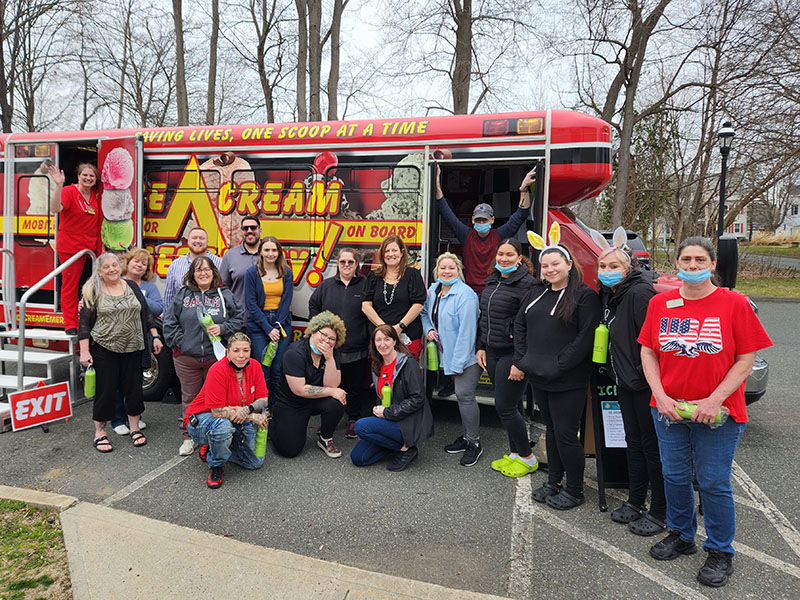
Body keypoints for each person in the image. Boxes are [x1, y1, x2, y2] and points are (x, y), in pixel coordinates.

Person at [639, 236, 772, 588]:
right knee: (675, 476)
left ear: (712, 264)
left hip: (719, 413)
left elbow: (746, 359)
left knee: (713, 482)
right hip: (668, 409)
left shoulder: (734, 304)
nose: (693, 266)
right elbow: (648, 352)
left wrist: (715, 399)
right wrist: (660, 395)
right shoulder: (661, 304)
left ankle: (720, 551)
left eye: (700, 260)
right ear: (677, 264)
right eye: (686, 260)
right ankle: (682, 535)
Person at [513, 238, 600, 510]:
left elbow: (585, 338)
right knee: (550, 430)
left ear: (569, 265)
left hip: (567, 379)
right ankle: (553, 480)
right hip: (539, 375)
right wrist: (523, 358)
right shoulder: (537, 292)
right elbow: (520, 324)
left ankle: (575, 490)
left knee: (565, 434)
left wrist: (559, 365)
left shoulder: (585, 296)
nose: (550, 269)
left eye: (555, 264)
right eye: (545, 265)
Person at [595, 235, 665, 536]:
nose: (607, 269)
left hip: (645, 384)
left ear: (628, 267)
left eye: (613, 265)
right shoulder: (611, 294)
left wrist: (643, 375)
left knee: (652, 448)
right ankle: (636, 501)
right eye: (602, 265)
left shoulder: (639, 294)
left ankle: (660, 511)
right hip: (624, 382)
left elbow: (655, 343)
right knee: (633, 444)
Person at [78, 253, 163, 453]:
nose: (112, 269)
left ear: (120, 266)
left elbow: (146, 313)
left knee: (133, 389)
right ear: (99, 271)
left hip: (134, 347)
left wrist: (155, 335)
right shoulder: (92, 291)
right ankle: (100, 432)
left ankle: (134, 429)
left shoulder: (131, 286)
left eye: (115, 265)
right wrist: (84, 351)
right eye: (106, 267)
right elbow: (83, 324)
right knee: (105, 391)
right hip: (104, 349)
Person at [163, 255, 244, 456]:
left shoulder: (223, 294)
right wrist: (181, 342)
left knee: (215, 400)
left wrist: (223, 327)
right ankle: (188, 437)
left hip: (215, 359)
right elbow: (169, 322)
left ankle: (210, 437)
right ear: (192, 274)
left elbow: (240, 317)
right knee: (189, 398)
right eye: (198, 270)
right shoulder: (183, 294)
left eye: (207, 269)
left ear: (213, 272)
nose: (203, 273)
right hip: (186, 358)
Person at [476, 238, 540, 478]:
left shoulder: (529, 285)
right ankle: (515, 454)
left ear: (519, 258)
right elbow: (486, 317)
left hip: (512, 355)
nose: (504, 258)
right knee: (512, 406)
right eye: (500, 254)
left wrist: (520, 362)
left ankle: (527, 457)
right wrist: (481, 346)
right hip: (491, 352)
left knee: (504, 406)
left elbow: (530, 327)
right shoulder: (492, 280)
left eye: (509, 255)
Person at [420, 253, 482, 466]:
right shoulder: (433, 290)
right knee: (461, 398)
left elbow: (468, 333)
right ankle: (466, 437)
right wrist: (428, 329)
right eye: (442, 268)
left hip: (465, 358)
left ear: (459, 271)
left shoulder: (466, 295)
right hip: (444, 355)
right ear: (437, 270)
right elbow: (423, 313)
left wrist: (457, 364)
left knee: (465, 397)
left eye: (451, 268)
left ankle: (474, 443)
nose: (446, 271)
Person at [185, 332, 269, 489]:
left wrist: (247, 409)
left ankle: (215, 447)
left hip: (238, 417)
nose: (241, 355)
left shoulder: (255, 366)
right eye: (236, 351)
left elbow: (263, 399)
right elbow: (217, 411)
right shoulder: (217, 370)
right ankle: (216, 464)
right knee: (223, 427)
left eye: (246, 350)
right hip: (203, 419)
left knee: (255, 463)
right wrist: (251, 416)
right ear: (227, 352)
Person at [435, 167, 535, 294]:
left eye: (485, 220)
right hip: (469, 290)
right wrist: (437, 184)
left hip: (492, 289)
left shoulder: (499, 235)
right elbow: (446, 213)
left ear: (492, 220)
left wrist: (523, 188)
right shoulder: (466, 235)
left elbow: (521, 214)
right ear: (472, 220)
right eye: (478, 220)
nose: (481, 223)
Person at [350, 325, 434, 471]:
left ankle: (406, 448)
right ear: (374, 343)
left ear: (395, 341)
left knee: (360, 426)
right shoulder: (377, 365)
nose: (382, 344)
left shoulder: (408, 363)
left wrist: (387, 413)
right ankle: (396, 446)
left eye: (387, 339)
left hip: (407, 421)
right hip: (388, 419)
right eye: (378, 340)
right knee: (359, 458)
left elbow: (418, 398)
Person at [308, 248, 371, 439]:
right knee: (331, 386)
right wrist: (318, 330)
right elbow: (313, 305)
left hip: (357, 346)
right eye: (342, 262)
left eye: (350, 262)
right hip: (330, 349)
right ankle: (329, 421)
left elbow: (372, 311)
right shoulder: (326, 285)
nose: (346, 265)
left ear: (356, 265)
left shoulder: (366, 285)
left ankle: (353, 419)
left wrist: (369, 337)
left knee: (354, 386)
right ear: (338, 264)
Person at [269, 311, 347, 459]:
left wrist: (329, 360)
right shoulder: (295, 353)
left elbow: (333, 384)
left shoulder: (332, 352)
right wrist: (331, 391)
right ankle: (274, 424)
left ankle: (325, 439)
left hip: (314, 399)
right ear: (313, 331)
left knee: (337, 401)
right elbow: (299, 390)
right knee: (289, 451)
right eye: (324, 334)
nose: (327, 341)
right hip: (291, 403)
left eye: (332, 338)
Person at [110, 247, 163, 436]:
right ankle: (117, 419)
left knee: (135, 383)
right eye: (136, 261)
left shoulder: (149, 287)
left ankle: (135, 417)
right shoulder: (114, 281)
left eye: (144, 263)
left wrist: (138, 294)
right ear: (128, 262)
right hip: (116, 340)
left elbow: (157, 309)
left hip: (140, 341)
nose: (140, 265)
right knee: (116, 382)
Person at [49, 163, 104, 335]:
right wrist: (58, 185)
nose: (88, 178)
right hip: (71, 248)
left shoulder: (96, 195)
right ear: (78, 176)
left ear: (96, 180)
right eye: (85, 175)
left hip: (92, 249)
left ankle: (92, 319)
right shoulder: (68, 191)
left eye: (92, 176)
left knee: (94, 285)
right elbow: (55, 208)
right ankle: (71, 324)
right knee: (70, 286)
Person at [362, 236, 426, 358]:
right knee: (380, 375)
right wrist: (384, 329)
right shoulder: (374, 276)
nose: (390, 254)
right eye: (386, 251)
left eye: (394, 250)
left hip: (407, 337)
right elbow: (366, 305)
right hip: (380, 339)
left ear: (402, 252)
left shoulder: (413, 274)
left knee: (406, 374)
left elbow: (418, 304)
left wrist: (399, 327)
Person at [244, 236, 293, 393]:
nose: (270, 253)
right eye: (267, 250)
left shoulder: (286, 272)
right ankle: (263, 407)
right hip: (258, 324)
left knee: (278, 369)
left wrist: (277, 327)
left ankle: (275, 408)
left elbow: (286, 301)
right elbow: (251, 303)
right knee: (263, 368)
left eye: (274, 250)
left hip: (281, 323)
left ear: (279, 252)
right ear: (260, 252)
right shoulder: (252, 273)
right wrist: (268, 328)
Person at [162, 227, 221, 310]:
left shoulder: (219, 263)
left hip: (213, 318)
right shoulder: (175, 265)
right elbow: (169, 296)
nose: (197, 241)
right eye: (194, 238)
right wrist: (167, 320)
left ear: (207, 242)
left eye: (201, 238)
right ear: (188, 242)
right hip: (182, 319)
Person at [219, 215, 261, 316]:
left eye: (253, 227)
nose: (249, 231)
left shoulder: (272, 253)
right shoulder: (230, 255)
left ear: (260, 230)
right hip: (239, 319)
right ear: (242, 232)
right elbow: (222, 288)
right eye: (245, 228)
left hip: (268, 320)